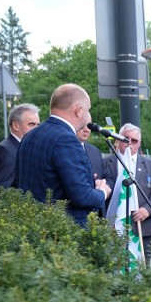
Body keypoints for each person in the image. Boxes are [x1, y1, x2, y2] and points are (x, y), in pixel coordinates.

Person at [16, 84, 111, 226]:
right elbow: (81, 196)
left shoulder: (30, 135)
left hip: (33, 229)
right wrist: (103, 192)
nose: (88, 115)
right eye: (88, 110)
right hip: (63, 234)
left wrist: (89, 182)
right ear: (79, 110)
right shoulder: (66, 139)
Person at [103, 123, 151, 264]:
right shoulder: (105, 163)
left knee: (141, 271)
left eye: (134, 140)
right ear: (118, 139)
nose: (129, 143)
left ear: (140, 143)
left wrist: (147, 210)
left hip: (142, 229)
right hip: (113, 229)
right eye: (126, 138)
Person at [0, 103, 40, 188]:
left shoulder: (30, 148)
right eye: (31, 124)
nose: (37, 129)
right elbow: (3, 192)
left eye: (38, 125)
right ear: (16, 126)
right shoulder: (3, 151)